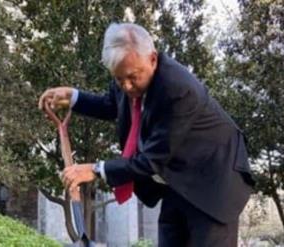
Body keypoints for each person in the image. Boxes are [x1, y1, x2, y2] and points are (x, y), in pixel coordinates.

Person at [38, 23, 255, 247]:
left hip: (214, 184)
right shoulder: (127, 72)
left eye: (132, 77)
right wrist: (74, 97)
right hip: (177, 181)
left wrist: (95, 170)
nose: (127, 86)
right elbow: (112, 105)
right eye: (119, 79)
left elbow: (152, 160)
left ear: (152, 59)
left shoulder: (179, 89)